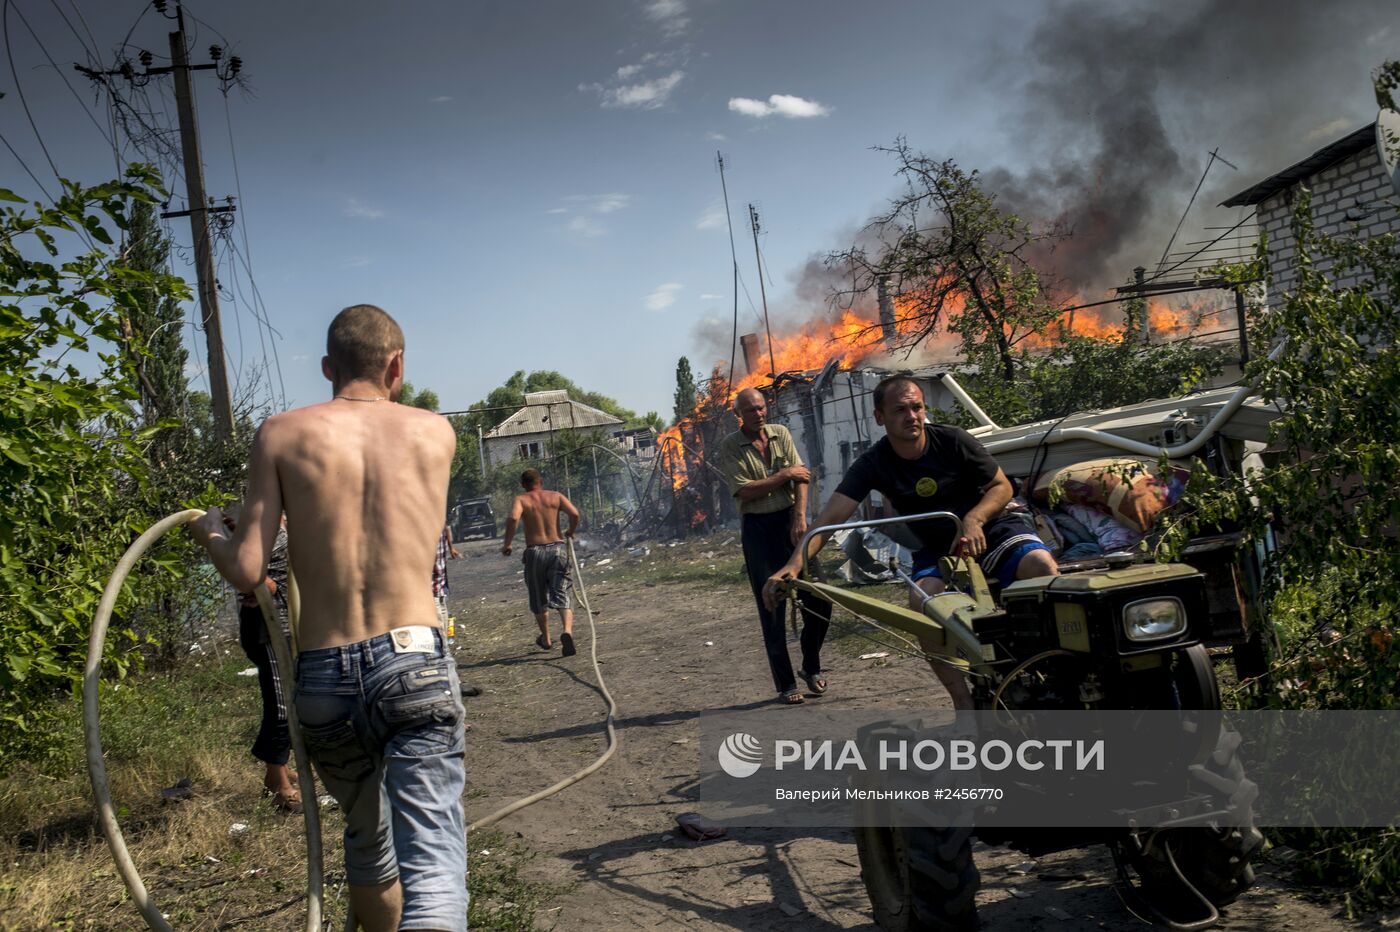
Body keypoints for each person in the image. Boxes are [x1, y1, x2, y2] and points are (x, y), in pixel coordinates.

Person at [190, 304, 466, 932]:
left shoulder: (281, 434)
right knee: (433, 866)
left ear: (325, 368)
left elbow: (249, 571)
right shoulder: (435, 432)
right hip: (414, 662)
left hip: (324, 677)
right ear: (396, 366)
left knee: (370, 845)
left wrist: (211, 532)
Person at [765, 375, 1058, 710]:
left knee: (1042, 566)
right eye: (900, 409)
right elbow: (829, 521)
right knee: (922, 603)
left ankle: (1056, 670)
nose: (912, 416)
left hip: (992, 530)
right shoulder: (873, 464)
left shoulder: (953, 440)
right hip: (939, 548)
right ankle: (965, 707)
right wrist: (792, 566)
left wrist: (975, 519)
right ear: (880, 417)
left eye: (917, 407)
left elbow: (1002, 487)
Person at [719, 388, 832, 705]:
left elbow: (803, 476)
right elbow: (745, 491)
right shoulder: (731, 447)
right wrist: (784, 474)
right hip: (759, 531)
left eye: (761, 408)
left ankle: (810, 666)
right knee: (772, 606)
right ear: (738, 414)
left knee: (821, 599)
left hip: (790, 525)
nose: (759, 414)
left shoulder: (780, 434)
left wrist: (800, 516)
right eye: (751, 410)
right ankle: (786, 684)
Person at [234, 513, 300, 811]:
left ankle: (278, 773)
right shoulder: (263, 523)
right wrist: (266, 584)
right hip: (266, 628)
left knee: (289, 701)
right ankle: (278, 783)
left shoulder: (284, 521)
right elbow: (244, 570)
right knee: (282, 706)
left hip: (286, 627)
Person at [501, 468, 580, 657]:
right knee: (561, 592)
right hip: (558, 550)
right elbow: (575, 514)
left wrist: (508, 543)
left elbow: (513, 518)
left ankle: (546, 638)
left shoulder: (521, 500)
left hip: (535, 551)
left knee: (538, 596)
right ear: (540, 481)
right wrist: (570, 530)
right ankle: (567, 631)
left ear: (523, 484)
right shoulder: (556, 496)